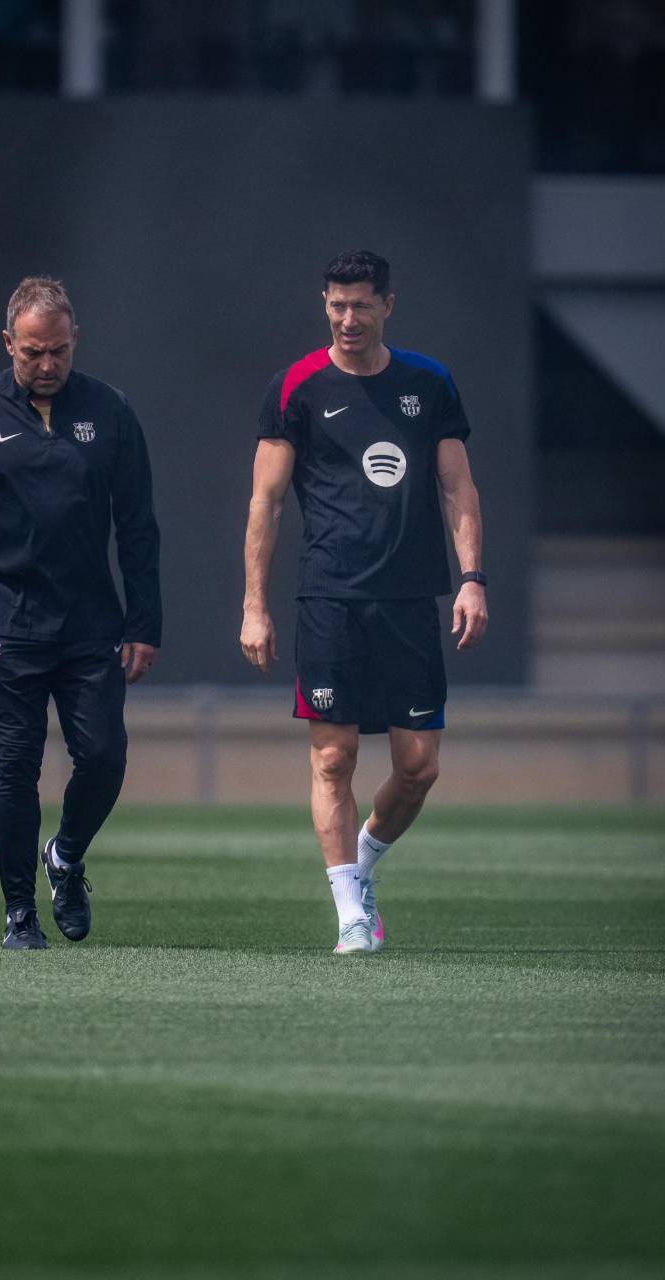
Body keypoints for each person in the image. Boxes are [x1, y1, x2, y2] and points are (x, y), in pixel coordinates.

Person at [240, 250, 487, 955]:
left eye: (361, 305)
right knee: (334, 757)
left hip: (409, 599)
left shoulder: (428, 382)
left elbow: (457, 488)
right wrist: (254, 604)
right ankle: (350, 910)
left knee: (418, 768)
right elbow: (266, 499)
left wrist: (473, 579)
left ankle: (365, 864)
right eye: (336, 305)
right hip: (330, 596)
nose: (348, 319)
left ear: (387, 305)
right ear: (324, 304)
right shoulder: (297, 387)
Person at [0, 276, 161, 950]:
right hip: (4, 618)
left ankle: (67, 856)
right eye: (31, 353)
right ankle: (19, 912)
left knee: (105, 755)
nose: (46, 365)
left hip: (89, 621)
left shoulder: (110, 412)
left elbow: (138, 526)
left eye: (57, 351)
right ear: (7, 344)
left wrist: (144, 623)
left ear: (74, 340)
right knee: (15, 767)